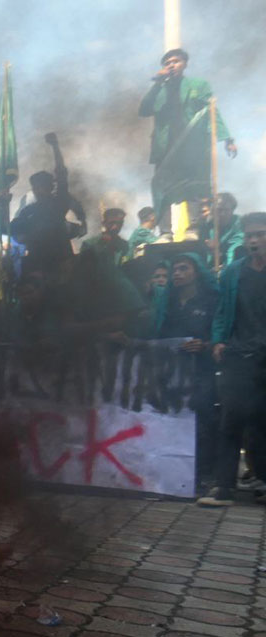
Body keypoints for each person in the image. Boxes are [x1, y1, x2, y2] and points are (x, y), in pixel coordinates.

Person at [200, 214, 266, 507]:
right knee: (231, 419)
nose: (254, 241)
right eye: (250, 235)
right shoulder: (233, 273)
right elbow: (222, 312)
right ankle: (223, 488)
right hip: (239, 356)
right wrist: (218, 340)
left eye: (260, 234)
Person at [151, 254, 219, 490]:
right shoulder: (167, 301)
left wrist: (206, 345)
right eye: (174, 270)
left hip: (202, 369)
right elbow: (158, 334)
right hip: (172, 371)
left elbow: (222, 332)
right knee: (172, 418)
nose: (177, 274)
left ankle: (203, 473)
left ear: (196, 272)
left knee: (203, 419)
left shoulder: (211, 300)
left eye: (183, 269)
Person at [140, 49, 236, 169]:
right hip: (165, 150)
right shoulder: (159, 91)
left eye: (176, 61)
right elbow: (144, 111)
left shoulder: (198, 85)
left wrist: (227, 139)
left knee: (194, 185)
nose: (171, 65)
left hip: (192, 147)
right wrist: (157, 83)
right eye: (167, 63)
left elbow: (212, 112)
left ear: (185, 64)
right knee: (165, 186)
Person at [8, 134, 80, 277]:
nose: (39, 190)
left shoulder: (59, 203)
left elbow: (61, 174)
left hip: (62, 264)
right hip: (37, 268)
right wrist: (3, 204)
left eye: (43, 186)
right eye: (36, 187)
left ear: (50, 187)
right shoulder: (28, 211)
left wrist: (55, 147)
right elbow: (12, 230)